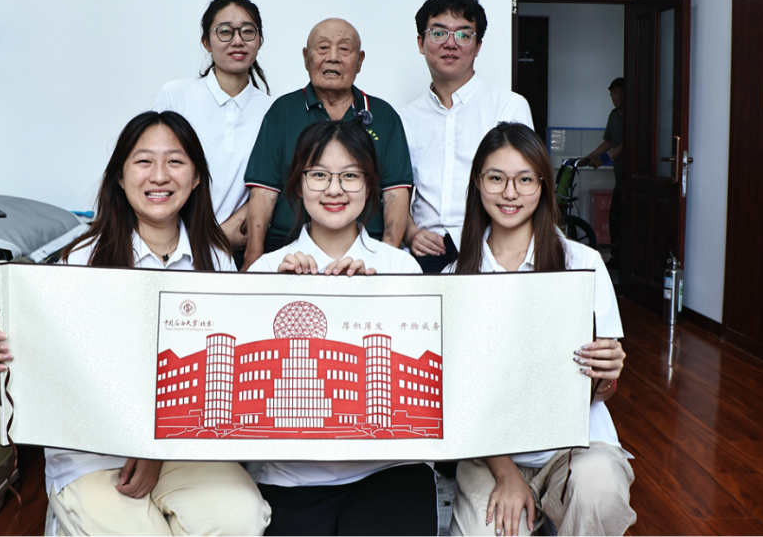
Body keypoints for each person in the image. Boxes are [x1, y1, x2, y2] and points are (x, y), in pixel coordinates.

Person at [0, 111, 271, 537]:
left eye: (175, 161)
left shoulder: (217, 260)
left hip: (183, 446)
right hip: (91, 452)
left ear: (196, 178)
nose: (159, 175)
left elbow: (220, 372)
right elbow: (48, 361)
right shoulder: (82, 259)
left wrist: (156, 452)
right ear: (120, 176)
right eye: (144, 161)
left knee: (241, 517)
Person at [248, 120, 435, 536]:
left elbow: (423, 379)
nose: (334, 189)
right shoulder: (267, 270)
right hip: (291, 476)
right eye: (319, 175)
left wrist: (374, 304)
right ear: (298, 185)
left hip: (388, 469)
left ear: (370, 186)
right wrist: (275, 297)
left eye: (350, 176)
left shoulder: (400, 267)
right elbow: (251, 386)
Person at [446, 122, 635, 537]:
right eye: (496, 178)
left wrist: (608, 372)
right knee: (487, 531)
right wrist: (506, 473)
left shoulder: (583, 263)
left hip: (575, 447)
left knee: (599, 491)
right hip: (490, 452)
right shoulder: (455, 278)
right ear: (477, 183)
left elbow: (604, 390)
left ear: (543, 185)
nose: (510, 193)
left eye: (525, 179)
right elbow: (459, 398)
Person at [242, 18, 413, 270]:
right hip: (287, 247)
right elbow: (263, 192)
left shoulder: (383, 115)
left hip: (367, 248)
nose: (333, 57)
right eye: (323, 48)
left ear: (360, 60)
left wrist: (385, 261)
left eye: (344, 49)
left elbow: (396, 194)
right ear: (306, 57)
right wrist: (254, 259)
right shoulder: (282, 111)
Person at [401, 0, 533, 273]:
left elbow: (523, 187)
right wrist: (410, 233)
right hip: (425, 252)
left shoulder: (508, 107)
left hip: (491, 250)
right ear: (421, 43)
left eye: (463, 35)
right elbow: (394, 190)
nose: (450, 44)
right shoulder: (404, 119)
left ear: (478, 45)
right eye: (438, 33)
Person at [154, 0, 272, 265]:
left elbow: (270, 188)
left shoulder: (272, 111)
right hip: (171, 249)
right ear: (206, 42)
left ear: (259, 40)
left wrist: (220, 239)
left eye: (247, 31)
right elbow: (157, 172)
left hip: (233, 254)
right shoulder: (176, 96)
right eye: (225, 31)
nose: (237, 40)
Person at [585, 77, 625, 270]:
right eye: (614, 94)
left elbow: (624, 146)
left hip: (632, 181)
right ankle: (616, 258)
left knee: (626, 221)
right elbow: (609, 142)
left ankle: (626, 260)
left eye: (620, 93)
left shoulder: (633, 115)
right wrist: (589, 157)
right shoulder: (613, 115)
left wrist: (603, 160)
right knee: (614, 220)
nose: (617, 97)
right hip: (620, 180)